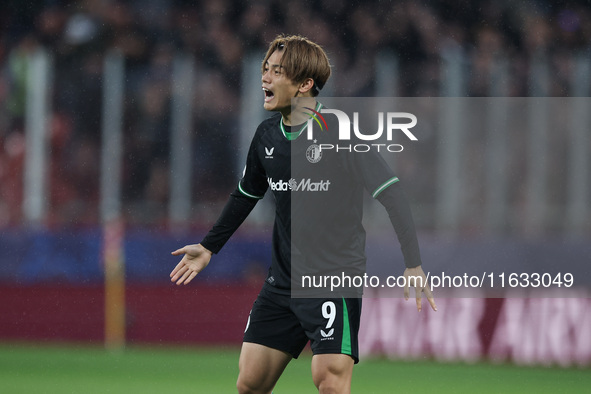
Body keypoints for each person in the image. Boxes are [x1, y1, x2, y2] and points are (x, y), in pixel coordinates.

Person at [170, 34, 436, 394]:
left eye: (277, 71)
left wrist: (413, 263)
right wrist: (209, 247)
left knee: (328, 379)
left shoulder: (341, 134)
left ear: (304, 84)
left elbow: (392, 194)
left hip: (331, 281)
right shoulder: (267, 136)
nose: (265, 77)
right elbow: (246, 195)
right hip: (281, 284)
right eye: (266, 68)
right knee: (249, 383)